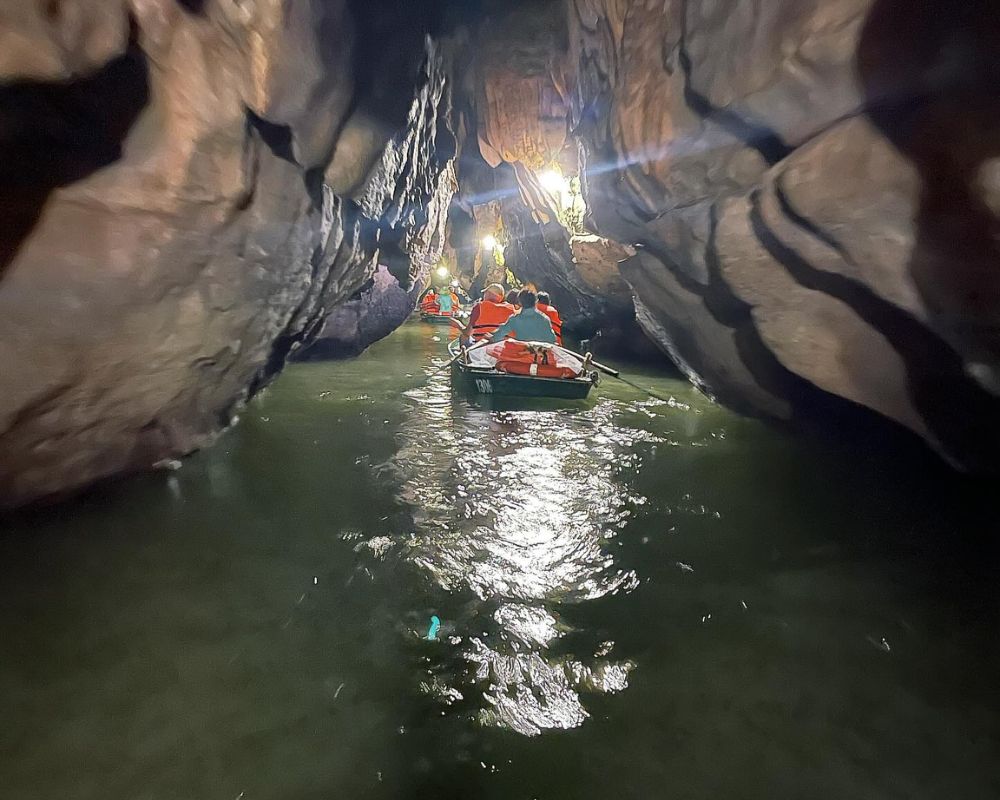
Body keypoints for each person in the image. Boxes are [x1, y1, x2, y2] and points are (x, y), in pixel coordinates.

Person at [485, 288, 556, 344]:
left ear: (520, 302)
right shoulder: (545, 319)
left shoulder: (514, 319)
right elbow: (552, 340)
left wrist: (491, 339)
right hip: (539, 356)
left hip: (521, 355)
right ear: (536, 301)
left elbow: (499, 334)